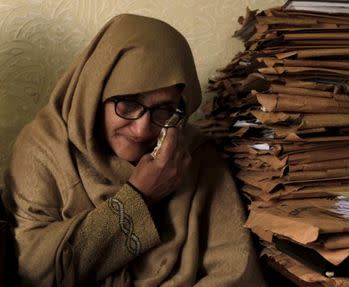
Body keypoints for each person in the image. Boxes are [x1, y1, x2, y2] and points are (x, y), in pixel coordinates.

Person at [2, 14, 267, 287]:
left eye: (163, 109)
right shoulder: (43, 151)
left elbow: (236, 270)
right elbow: (36, 272)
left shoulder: (193, 156)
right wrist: (140, 197)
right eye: (127, 104)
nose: (141, 130)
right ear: (94, 95)